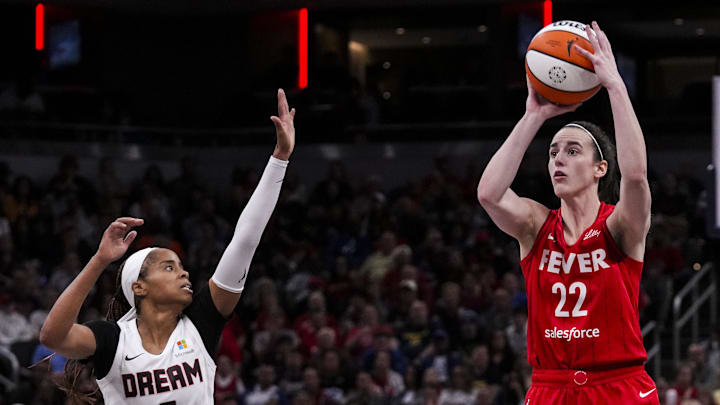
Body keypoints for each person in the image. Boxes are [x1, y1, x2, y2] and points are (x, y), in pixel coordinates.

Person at [38, 88, 297, 404]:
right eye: (169, 266)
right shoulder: (113, 339)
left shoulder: (201, 323)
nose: (184, 273)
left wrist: (280, 158)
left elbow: (245, 240)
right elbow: (53, 336)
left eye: (181, 265)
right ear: (140, 287)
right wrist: (99, 259)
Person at [477, 21, 658, 403]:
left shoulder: (620, 225)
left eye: (572, 151)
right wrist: (533, 117)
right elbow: (489, 195)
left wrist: (615, 87)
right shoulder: (536, 225)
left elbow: (637, 175)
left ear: (600, 168)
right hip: (550, 386)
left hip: (619, 384)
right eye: (553, 152)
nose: (558, 158)